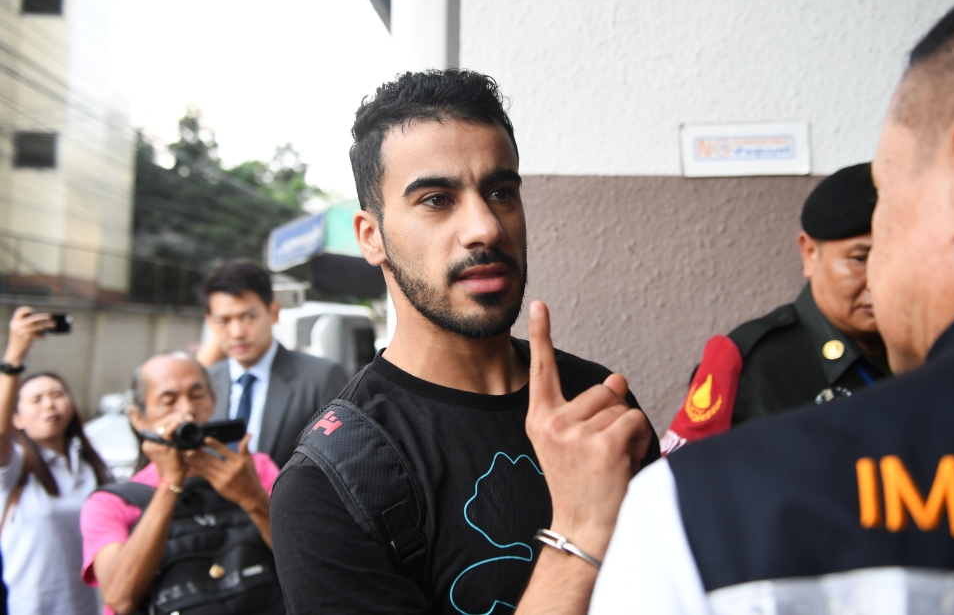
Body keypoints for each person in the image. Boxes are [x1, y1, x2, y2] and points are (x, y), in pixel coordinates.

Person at [515, 0, 954, 615]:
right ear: (808, 253)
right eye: (856, 253)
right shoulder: (745, 357)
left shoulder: (698, 516)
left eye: (888, 208)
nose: (876, 267)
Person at [269, 69, 661, 614]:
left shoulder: (597, 399)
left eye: (501, 192)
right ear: (371, 236)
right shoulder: (330, 484)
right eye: (436, 199)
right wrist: (578, 531)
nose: (486, 227)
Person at [662, 162, 892, 453]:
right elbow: (684, 483)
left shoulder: (929, 346)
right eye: (859, 259)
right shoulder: (750, 361)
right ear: (810, 254)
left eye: (896, 257)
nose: (879, 280)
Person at [79, 351, 281, 614]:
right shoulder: (110, 503)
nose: (186, 411)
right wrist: (170, 484)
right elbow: (119, 597)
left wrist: (253, 499)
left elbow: (305, 561)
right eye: (168, 400)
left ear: (212, 401)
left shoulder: (256, 469)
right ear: (139, 418)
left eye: (197, 396)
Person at [0, 307, 109, 615]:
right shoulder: (15, 468)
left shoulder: (92, 466)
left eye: (57, 394)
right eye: (36, 399)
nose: (50, 404)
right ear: (16, 418)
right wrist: (13, 358)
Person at [203, 260, 348, 467]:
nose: (237, 333)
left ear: (274, 312)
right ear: (210, 322)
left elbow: (341, 463)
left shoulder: (321, 378)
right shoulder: (205, 383)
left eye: (248, 317)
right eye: (224, 321)